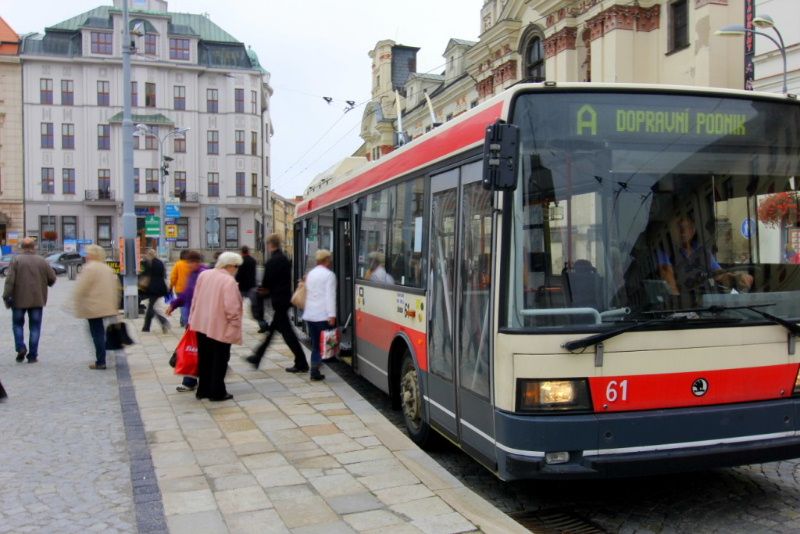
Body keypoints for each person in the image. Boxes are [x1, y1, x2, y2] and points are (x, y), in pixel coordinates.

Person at [246, 234, 308, 372]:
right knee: (274, 331)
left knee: (287, 333)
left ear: (270, 245)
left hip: (278, 301)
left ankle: (302, 362)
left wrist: (261, 293)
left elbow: (266, 283)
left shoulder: (272, 262)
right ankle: (257, 356)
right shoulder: (285, 259)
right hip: (285, 299)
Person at [188, 251, 243, 401]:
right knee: (220, 360)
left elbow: (195, 299)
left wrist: (192, 318)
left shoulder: (204, 275)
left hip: (201, 325)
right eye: (237, 266)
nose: (237, 269)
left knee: (205, 358)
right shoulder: (228, 281)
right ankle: (217, 392)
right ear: (229, 265)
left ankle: (203, 390)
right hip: (220, 327)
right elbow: (231, 308)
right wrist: (235, 325)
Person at [659, 216, 753, 302]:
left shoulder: (702, 251)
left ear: (693, 231)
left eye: (687, 227)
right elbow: (671, 287)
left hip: (708, 303)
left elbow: (720, 275)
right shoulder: (665, 254)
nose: (683, 231)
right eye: (679, 227)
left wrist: (736, 278)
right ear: (672, 231)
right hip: (686, 306)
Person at [3, 238, 56, 363]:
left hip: (18, 300)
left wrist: (6, 295)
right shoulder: (41, 261)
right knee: (35, 327)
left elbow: (9, 280)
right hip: (37, 299)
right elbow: (52, 278)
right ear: (34, 247)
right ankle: (32, 355)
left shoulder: (16, 260)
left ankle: (21, 347)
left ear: (22, 247)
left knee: (17, 325)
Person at [72, 245, 120, 370]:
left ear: (93, 255)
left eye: (88, 253)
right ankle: (104, 354)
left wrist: (75, 303)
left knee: (97, 333)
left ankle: (101, 361)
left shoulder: (89, 268)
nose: (86, 256)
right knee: (102, 331)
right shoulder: (107, 268)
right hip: (107, 306)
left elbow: (81, 288)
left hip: (93, 307)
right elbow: (116, 287)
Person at [166, 250, 207, 392]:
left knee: (195, 349)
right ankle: (191, 380)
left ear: (196, 262)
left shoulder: (203, 274)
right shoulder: (193, 274)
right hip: (193, 319)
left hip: (201, 319)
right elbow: (187, 294)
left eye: (190, 263)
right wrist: (174, 304)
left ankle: (192, 380)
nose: (188, 266)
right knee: (193, 349)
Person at [302, 249, 336, 381]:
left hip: (310, 314)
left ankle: (316, 366)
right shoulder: (329, 275)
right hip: (322, 315)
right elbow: (330, 296)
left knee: (316, 342)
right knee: (321, 344)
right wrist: (332, 315)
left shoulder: (311, 274)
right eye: (330, 259)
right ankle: (315, 370)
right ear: (327, 260)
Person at [140, 249, 170, 333]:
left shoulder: (149, 263)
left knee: (151, 308)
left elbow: (146, 275)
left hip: (153, 288)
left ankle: (163, 321)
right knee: (151, 306)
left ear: (149, 255)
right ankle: (146, 327)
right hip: (161, 286)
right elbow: (164, 275)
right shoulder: (160, 263)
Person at [169, 250, 193, 327]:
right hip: (190, 289)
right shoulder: (191, 264)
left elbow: (173, 277)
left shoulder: (178, 264)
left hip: (179, 289)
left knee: (182, 305)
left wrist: (171, 286)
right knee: (189, 305)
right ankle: (185, 320)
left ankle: (184, 321)